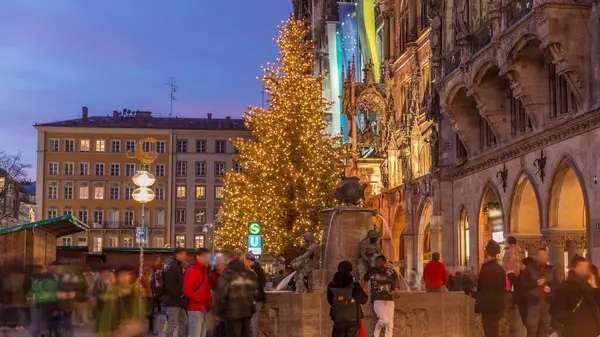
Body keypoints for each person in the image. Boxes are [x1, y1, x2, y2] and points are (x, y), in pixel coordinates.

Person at [550, 255, 600, 337]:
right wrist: (573, 322)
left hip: (591, 332)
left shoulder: (589, 286)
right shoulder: (565, 288)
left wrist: (594, 286)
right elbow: (555, 311)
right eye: (582, 267)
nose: (585, 270)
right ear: (574, 268)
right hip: (574, 332)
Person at [213, 257, 259, 337]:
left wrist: (218, 311)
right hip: (247, 311)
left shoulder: (227, 274)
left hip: (233, 311)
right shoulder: (248, 274)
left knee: (233, 334)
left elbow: (221, 294)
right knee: (246, 333)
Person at [468, 240, 506, 337]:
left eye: (485, 249)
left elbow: (486, 290)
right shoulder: (499, 268)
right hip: (497, 306)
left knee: (490, 332)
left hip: (489, 308)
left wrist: (475, 295)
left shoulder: (488, 269)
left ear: (487, 252)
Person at [98, 265, 146, 337]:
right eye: (123, 274)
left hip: (131, 326)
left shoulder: (135, 288)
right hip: (115, 327)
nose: (126, 277)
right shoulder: (113, 289)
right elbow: (106, 310)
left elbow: (140, 309)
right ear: (118, 275)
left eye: (129, 274)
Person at [520, 248, 557, 337]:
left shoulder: (550, 270)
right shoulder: (529, 269)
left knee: (545, 327)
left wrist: (550, 289)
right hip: (533, 302)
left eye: (544, 256)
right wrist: (535, 283)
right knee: (532, 328)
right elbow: (522, 285)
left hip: (547, 302)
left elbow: (557, 285)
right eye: (540, 255)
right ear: (537, 256)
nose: (542, 258)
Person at [327, 261, 368, 337]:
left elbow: (330, 301)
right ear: (350, 270)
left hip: (338, 318)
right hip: (353, 318)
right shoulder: (354, 285)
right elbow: (364, 300)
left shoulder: (331, 285)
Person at [361, 255, 397, 337]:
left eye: (379, 261)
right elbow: (364, 279)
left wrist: (396, 290)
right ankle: (376, 332)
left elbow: (396, 279)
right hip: (377, 298)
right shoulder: (372, 272)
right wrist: (362, 289)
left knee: (390, 324)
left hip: (390, 299)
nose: (377, 263)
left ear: (384, 263)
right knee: (384, 320)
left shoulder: (391, 272)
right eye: (376, 261)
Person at [184, 248, 212, 337]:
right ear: (198, 257)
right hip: (196, 308)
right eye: (206, 257)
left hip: (203, 308)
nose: (208, 259)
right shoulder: (193, 270)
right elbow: (187, 290)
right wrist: (200, 299)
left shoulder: (203, 270)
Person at [164, 247, 189, 337]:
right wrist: (181, 294)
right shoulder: (173, 266)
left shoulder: (178, 265)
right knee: (172, 323)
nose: (186, 256)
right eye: (184, 254)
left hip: (179, 302)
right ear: (178, 255)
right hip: (173, 301)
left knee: (184, 322)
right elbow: (169, 284)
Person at [507, 257, 534, 326]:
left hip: (523, 300)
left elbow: (518, 284)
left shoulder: (526, 274)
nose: (520, 265)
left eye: (521, 264)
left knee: (527, 321)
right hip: (525, 300)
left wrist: (510, 275)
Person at [244, 253, 266, 337]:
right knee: (252, 322)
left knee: (253, 323)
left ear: (249, 261)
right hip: (255, 298)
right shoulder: (255, 269)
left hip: (255, 299)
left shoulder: (255, 271)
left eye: (245, 260)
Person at [135, 266, 156, 336]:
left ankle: (148, 330)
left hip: (147, 297)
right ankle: (148, 330)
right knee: (149, 315)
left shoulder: (143, 278)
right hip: (146, 297)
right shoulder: (146, 278)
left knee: (148, 315)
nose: (148, 272)